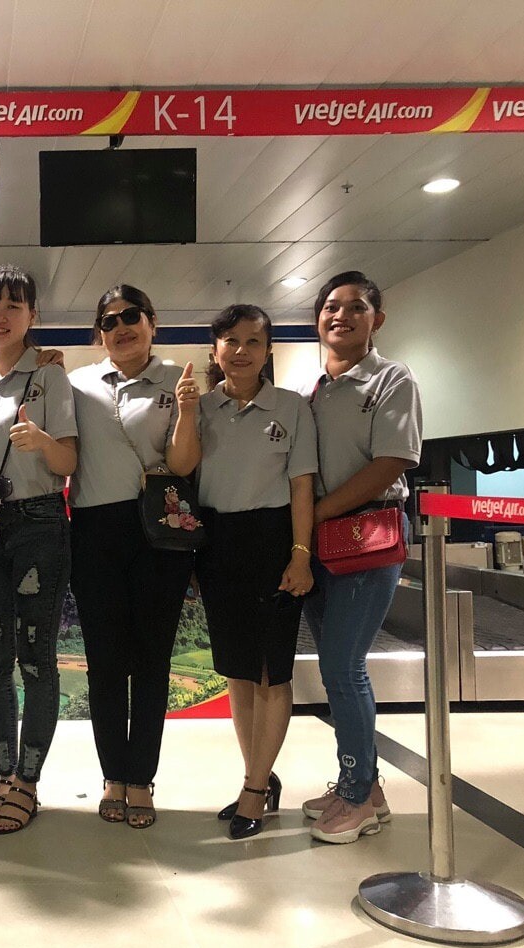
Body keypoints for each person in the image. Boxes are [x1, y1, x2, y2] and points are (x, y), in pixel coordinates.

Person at [298, 270, 422, 844]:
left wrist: (317, 513)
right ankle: (365, 786)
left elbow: (391, 461)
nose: (340, 316)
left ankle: (357, 798)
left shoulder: (392, 380)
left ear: (378, 319)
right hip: (321, 544)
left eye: (354, 307)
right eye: (330, 307)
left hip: (368, 535)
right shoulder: (314, 390)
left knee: (344, 667)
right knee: (336, 668)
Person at [188, 304, 316, 840]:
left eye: (254, 341)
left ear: (268, 351)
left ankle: (256, 789)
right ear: (215, 349)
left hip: (272, 539)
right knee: (237, 671)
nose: (241, 351)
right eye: (231, 341)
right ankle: (256, 776)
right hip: (217, 542)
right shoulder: (199, 409)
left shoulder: (291, 407)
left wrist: (300, 554)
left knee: (271, 670)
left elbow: (302, 485)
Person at [67, 285, 193, 829]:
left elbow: (185, 464)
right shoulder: (77, 383)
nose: (121, 327)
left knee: (151, 660)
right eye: (109, 321)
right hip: (95, 530)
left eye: (131, 316)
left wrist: (189, 408)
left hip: (159, 530)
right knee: (104, 662)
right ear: (100, 333)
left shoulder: (178, 381)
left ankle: (141, 777)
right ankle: (112, 776)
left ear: (152, 321)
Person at [0, 265, 77, 835]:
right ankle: (5, 775)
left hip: (39, 522)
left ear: (33, 315)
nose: (0, 315)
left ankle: (28, 782)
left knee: (35, 659)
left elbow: (69, 462)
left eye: (13, 304)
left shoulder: (50, 377)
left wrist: (42, 441)